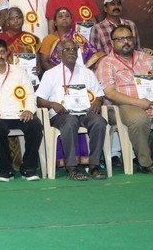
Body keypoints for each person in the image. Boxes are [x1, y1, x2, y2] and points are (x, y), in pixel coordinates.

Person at [95, 25, 153, 174]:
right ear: (112, 43)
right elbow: (109, 93)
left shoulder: (146, 58)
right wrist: (137, 102)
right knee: (138, 118)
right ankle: (145, 163)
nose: (125, 42)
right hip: (121, 106)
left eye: (128, 38)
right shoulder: (106, 63)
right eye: (120, 39)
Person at [36, 39, 107, 180]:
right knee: (70, 121)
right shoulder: (51, 74)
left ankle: (94, 166)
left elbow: (99, 95)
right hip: (62, 115)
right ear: (59, 54)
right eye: (67, 50)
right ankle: (72, 168)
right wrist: (52, 104)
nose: (71, 52)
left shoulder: (87, 73)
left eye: (74, 49)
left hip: (85, 112)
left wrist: (98, 102)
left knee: (99, 122)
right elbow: (39, 100)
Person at [0, 39, 43, 182]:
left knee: (35, 125)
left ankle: (29, 168)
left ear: (7, 53)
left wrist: (29, 110)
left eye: (1, 52)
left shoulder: (19, 72)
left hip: (20, 114)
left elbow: (30, 94)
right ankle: (6, 169)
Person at [38, 7, 100, 74]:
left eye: (67, 16)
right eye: (60, 16)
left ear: (71, 20)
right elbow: (44, 62)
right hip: (57, 75)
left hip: (78, 73)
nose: (64, 18)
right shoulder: (49, 39)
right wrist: (59, 74)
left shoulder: (78, 37)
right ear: (55, 23)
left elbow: (90, 57)